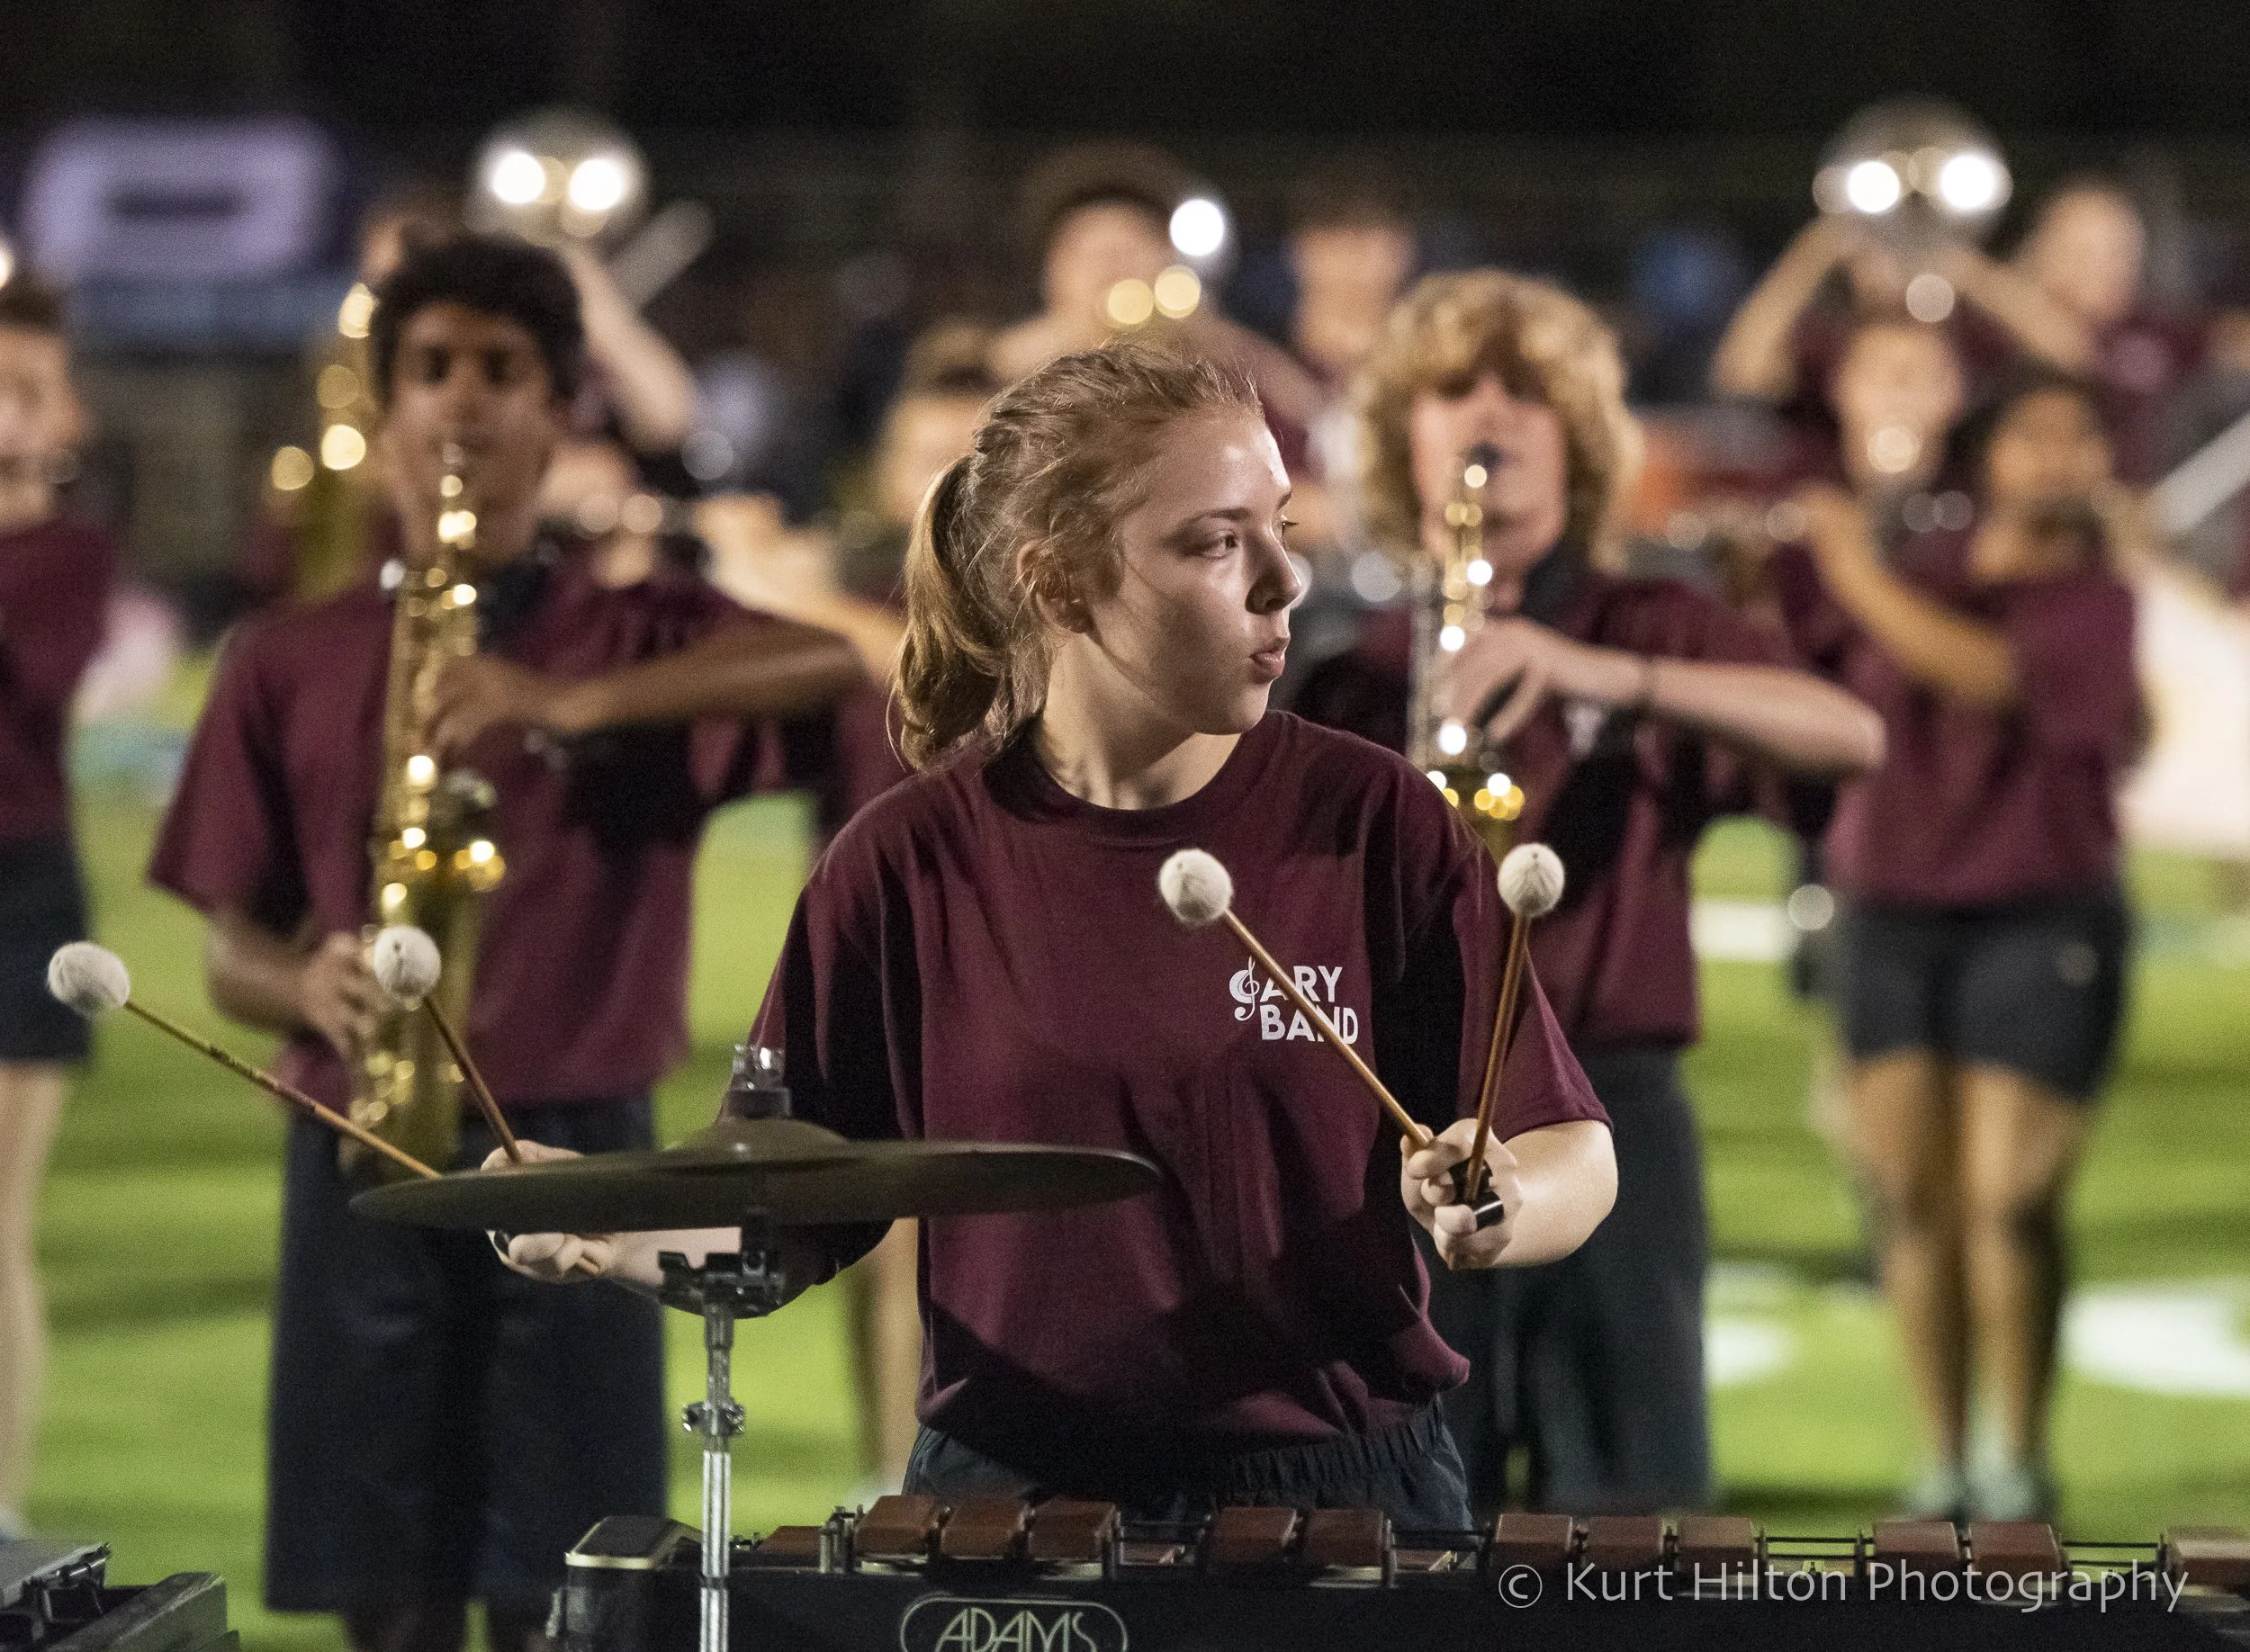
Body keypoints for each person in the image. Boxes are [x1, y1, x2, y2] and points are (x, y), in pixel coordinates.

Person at [497, 339, 1618, 1528]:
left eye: (1282, 525)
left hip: (1348, 1499)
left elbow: (1570, 1148)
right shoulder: (907, 863)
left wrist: (1502, 1202)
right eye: (1218, 541)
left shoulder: (1374, 817)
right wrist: (607, 1230)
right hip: (1016, 1506)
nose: (1286, 579)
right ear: (1060, 582)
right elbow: (785, 1212)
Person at [147, 234, 861, 1652]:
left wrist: (573, 704)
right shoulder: (284, 654)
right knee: (383, 1594)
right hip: (365, 1146)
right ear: (387, 403)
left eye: (501, 372)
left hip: (580, 1158)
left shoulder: (633, 628)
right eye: (431, 371)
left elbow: (832, 662)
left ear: (562, 404)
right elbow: (230, 954)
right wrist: (309, 981)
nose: (463, 406)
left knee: (574, 1598)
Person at [1293, 270, 1884, 1514]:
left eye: (1529, 397)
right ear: (1407, 436)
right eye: (1456, 393)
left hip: (1611, 1110)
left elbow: (1848, 736)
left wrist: (1602, 676)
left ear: (1581, 440)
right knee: (1396, 1517)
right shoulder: (1355, 666)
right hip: (1398, 1124)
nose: (1489, 421)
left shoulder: (1647, 622)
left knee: (1631, 1527)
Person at [1774, 370, 2144, 1522]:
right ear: (1983, 460)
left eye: (2081, 438)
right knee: (1910, 1202)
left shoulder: (2094, 597)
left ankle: (2018, 1460)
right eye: (2036, 437)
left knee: (2007, 1200)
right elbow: (1809, 666)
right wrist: (1776, 575)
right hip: (1888, 914)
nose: (2062, 459)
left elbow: (1984, 675)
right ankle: (1939, 1462)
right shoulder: (1917, 569)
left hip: (2040, 914)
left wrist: (1849, 568)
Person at [698, 321, 1000, 1495]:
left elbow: (960, 691)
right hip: (873, 957)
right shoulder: (843, 599)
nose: (942, 485)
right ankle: (897, 1480)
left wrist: (801, 598)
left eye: (970, 459)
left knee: (954, 1227)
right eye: (923, 457)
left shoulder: (1038, 609)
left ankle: (936, 1477)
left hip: (1004, 942)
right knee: (867, 1229)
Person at [0, 275, 115, 1542]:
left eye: (28, 388)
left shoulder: (66, 554)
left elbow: (33, 684)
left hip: (17, 881)